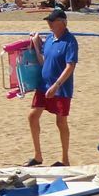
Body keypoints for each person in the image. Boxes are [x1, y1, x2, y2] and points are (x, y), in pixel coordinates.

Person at [26, 9, 78, 167]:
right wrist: (36, 45)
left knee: (61, 122)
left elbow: (70, 66)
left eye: (52, 21)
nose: (49, 23)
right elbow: (43, 61)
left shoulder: (70, 41)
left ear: (62, 22)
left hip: (61, 88)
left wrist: (56, 85)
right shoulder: (49, 38)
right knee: (32, 116)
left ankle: (65, 160)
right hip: (43, 85)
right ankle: (38, 156)